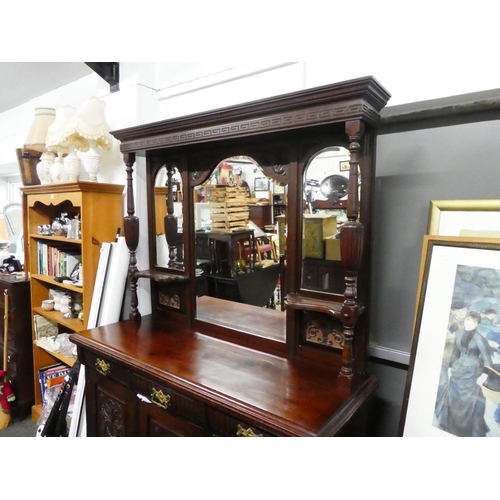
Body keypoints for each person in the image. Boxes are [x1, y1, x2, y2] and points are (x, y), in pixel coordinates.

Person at [435, 311, 493, 436]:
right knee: (454, 398)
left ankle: (466, 430)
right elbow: (455, 352)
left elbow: (487, 358)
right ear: (465, 320)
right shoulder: (459, 333)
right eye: (468, 320)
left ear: (477, 324)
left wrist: (484, 375)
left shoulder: (480, 338)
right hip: (458, 368)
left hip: (472, 372)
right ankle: (451, 426)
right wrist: (450, 367)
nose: (470, 324)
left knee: (467, 401)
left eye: (473, 322)